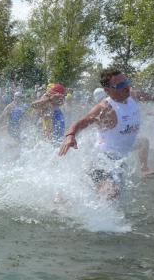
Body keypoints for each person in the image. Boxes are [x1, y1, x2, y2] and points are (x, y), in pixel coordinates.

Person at [58, 68, 144, 199]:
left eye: (126, 82)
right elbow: (81, 122)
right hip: (102, 160)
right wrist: (70, 136)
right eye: (120, 85)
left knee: (111, 195)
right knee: (111, 192)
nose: (126, 87)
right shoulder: (105, 109)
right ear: (107, 90)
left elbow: (150, 97)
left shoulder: (132, 96)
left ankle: (65, 196)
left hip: (118, 161)